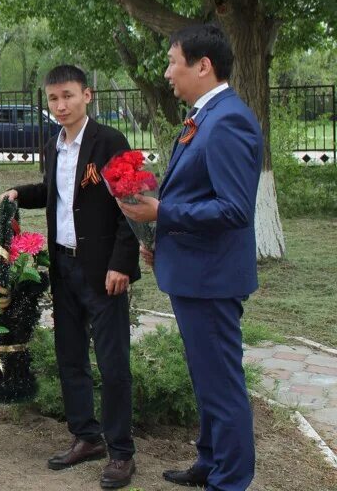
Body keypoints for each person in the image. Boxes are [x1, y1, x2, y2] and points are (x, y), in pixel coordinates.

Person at [118, 25, 261, 491]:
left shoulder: (229, 120)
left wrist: (163, 211)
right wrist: (160, 233)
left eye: (173, 61)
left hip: (212, 278)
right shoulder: (203, 116)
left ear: (203, 66)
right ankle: (211, 461)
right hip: (193, 271)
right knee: (206, 379)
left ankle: (231, 480)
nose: (167, 72)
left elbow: (235, 208)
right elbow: (196, 189)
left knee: (221, 385)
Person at [0, 64, 139, 489]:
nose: (60, 106)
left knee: (113, 362)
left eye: (68, 96)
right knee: (70, 355)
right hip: (63, 266)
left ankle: (120, 451)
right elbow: (54, 192)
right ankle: (86, 436)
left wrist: (121, 263)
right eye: (53, 99)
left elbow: (133, 203)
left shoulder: (111, 141)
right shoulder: (52, 145)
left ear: (87, 96)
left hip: (102, 270)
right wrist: (19, 195)